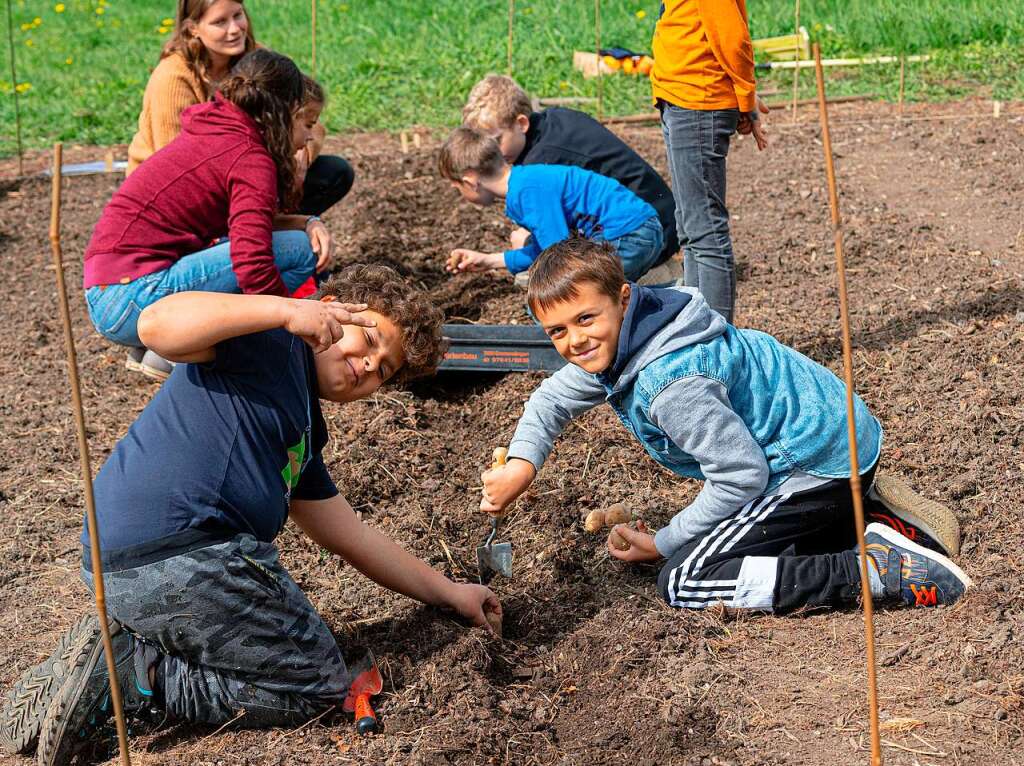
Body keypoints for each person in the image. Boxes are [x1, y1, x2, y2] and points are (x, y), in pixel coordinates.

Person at [0, 264, 502, 765]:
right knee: (316, 684)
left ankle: (128, 643)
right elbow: (155, 325)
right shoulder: (265, 343)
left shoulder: (305, 431)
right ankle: (142, 675)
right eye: (368, 337)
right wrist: (284, 310)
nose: (370, 364)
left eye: (385, 368)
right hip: (183, 549)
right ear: (330, 311)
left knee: (298, 661)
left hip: (128, 561)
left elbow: (351, 535)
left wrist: (452, 593)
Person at [478, 237, 969, 614]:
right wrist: (522, 465)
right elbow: (551, 398)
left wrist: (664, 540)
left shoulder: (671, 381)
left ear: (623, 299)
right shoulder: (645, 331)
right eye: (557, 331)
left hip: (806, 466)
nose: (575, 340)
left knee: (686, 579)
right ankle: (867, 516)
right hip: (835, 443)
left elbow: (740, 477)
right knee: (723, 543)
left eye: (585, 319)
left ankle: (877, 570)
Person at [85, 49, 328, 380]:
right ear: (283, 114)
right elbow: (252, 263)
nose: (311, 136)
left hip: (110, 289)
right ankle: (210, 345)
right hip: (132, 297)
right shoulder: (249, 157)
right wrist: (291, 320)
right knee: (299, 251)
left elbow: (248, 228)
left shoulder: (217, 128)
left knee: (280, 241)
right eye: (306, 123)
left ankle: (172, 346)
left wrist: (307, 220)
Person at [127, 0, 355, 222]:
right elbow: (178, 169)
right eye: (220, 22)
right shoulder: (173, 78)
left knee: (334, 173)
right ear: (193, 28)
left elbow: (310, 122)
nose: (235, 29)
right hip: (182, 195)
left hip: (246, 170)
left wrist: (297, 161)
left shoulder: (257, 61)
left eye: (238, 15)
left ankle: (270, 231)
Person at [461, 74, 680, 285]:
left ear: (522, 123)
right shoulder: (554, 121)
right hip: (653, 218)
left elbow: (560, 248)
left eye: (496, 141)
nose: (492, 155)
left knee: (564, 291)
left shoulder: (543, 161)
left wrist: (528, 243)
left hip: (638, 234)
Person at [651, 0, 770, 323]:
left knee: (704, 230)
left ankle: (715, 338)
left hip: (698, 102)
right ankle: (694, 326)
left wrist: (745, 98)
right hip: (679, 96)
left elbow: (732, 37)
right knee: (689, 228)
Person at [438, 128, 664, 283]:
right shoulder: (525, 182)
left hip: (627, 235)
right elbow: (546, 249)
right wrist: (489, 260)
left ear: (469, 181)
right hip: (638, 229)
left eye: (456, 187)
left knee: (567, 301)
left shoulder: (528, 193)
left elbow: (558, 257)